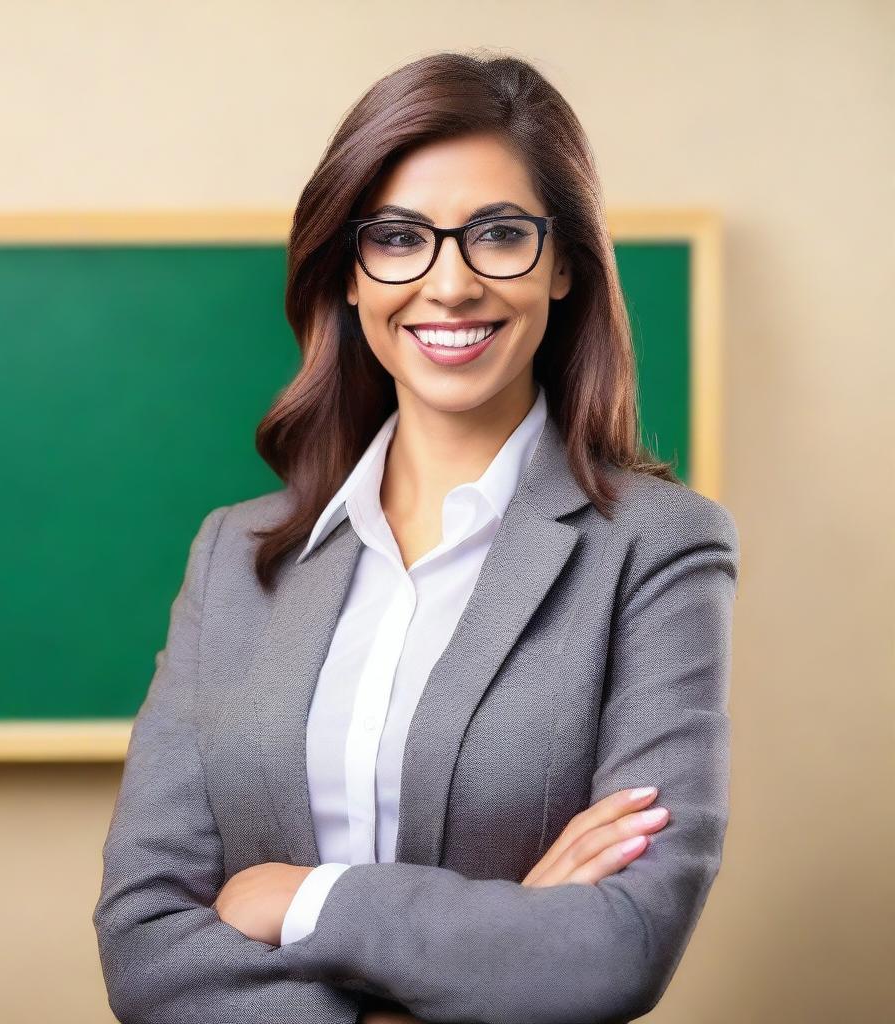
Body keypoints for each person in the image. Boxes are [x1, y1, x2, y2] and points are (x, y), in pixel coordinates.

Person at [93, 49, 739, 1024]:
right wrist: (463, 968)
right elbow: (143, 948)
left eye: (499, 234)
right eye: (398, 238)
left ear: (563, 264)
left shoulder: (656, 550)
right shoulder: (234, 555)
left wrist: (301, 897)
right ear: (349, 274)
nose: (449, 284)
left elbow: (619, 946)